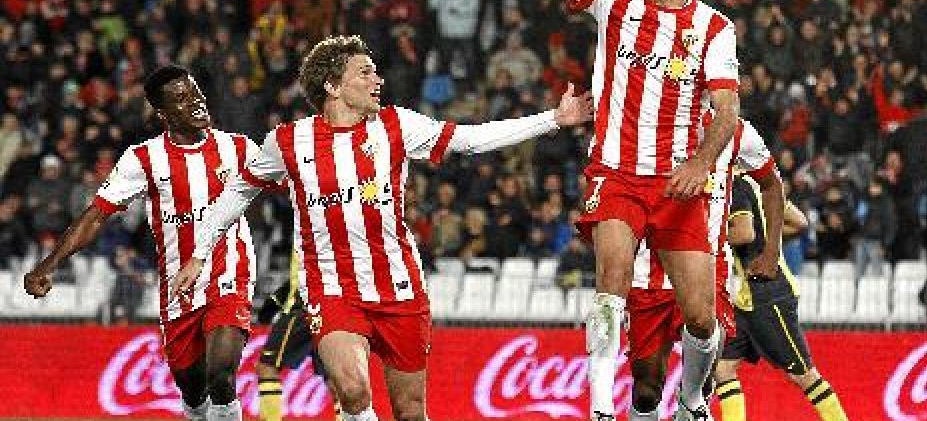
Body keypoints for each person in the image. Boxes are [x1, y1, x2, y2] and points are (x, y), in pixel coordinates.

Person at [172, 35, 592, 421]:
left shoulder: (397, 126)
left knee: (410, 411)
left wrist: (553, 119)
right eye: (365, 72)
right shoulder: (288, 141)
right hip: (332, 288)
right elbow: (238, 191)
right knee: (353, 390)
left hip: (399, 287)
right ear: (333, 86)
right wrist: (199, 253)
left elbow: (470, 139)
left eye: (375, 71)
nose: (379, 80)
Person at [532, 0, 740, 421]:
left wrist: (700, 163)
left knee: (701, 316)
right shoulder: (614, 1)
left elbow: (727, 111)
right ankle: (602, 408)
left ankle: (692, 399)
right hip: (617, 173)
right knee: (611, 285)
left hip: (677, 182)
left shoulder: (714, 28)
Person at [23, 65, 261, 421]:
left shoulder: (238, 147)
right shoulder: (144, 159)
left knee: (221, 376)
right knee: (194, 392)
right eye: (182, 99)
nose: (196, 102)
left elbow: (291, 183)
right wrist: (49, 263)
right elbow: (97, 215)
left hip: (230, 273)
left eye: (195, 92)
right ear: (163, 114)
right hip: (178, 288)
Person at [625, 118, 802, 420]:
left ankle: (690, 403)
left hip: (710, 270)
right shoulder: (650, 118)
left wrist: (772, 252)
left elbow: (772, 184)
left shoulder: (737, 131)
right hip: (649, 270)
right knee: (646, 390)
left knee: (705, 381)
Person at [713, 174, 850, 421]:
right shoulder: (760, 185)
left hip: (768, 296)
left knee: (803, 375)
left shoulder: (735, 185)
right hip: (744, 300)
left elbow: (744, 233)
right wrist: (769, 239)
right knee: (723, 369)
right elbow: (800, 222)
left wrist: (708, 236)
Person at [257, 250, 338, 421]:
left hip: (302, 308)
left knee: (267, 366)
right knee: (335, 379)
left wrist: (276, 299)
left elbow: (305, 271)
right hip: (331, 308)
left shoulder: (305, 234)